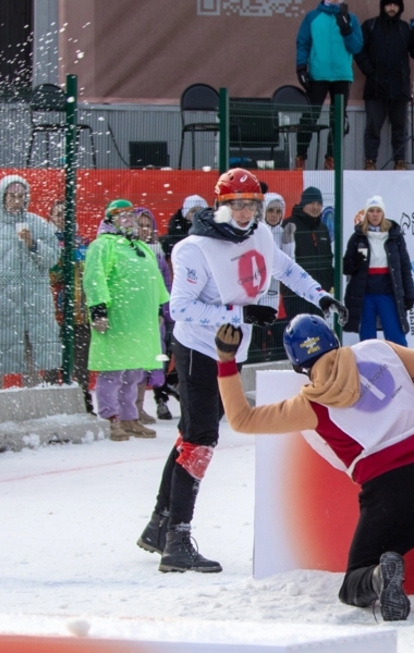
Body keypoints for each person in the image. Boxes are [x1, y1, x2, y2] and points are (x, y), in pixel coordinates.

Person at [211, 315, 414, 624]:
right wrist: (405, 391)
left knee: (354, 581)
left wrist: (226, 361)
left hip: (386, 496)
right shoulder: (378, 349)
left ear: (298, 363)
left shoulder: (309, 403)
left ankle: (379, 577)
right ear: (333, 339)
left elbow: (242, 420)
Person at [136, 168, 348, 574]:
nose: (244, 212)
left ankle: (159, 525)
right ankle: (177, 540)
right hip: (199, 347)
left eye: (251, 203)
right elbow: (179, 307)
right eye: (236, 204)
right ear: (221, 206)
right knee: (200, 438)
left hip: (232, 348)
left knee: (192, 435)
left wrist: (321, 296)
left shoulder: (260, 235)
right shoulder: (193, 248)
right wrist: (239, 311)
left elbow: (284, 268)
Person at [83, 200, 169, 442]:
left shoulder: (141, 247)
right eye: (123, 216)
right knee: (113, 370)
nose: (129, 220)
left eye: (131, 215)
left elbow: (157, 283)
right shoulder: (102, 246)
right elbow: (94, 278)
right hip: (117, 319)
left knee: (134, 372)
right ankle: (110, 418)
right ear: (110, 220)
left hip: (140, 321)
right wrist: (99, 310)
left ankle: (130, 417)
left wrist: (159, 309)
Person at [0, 175, 61, 389]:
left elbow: (53, 259)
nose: (17, 201)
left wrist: (33, 244)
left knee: (32, 360)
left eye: (21, 196)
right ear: (1, 197)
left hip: (32, 306)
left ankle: (32, 410)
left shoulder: (38, 224)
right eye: (12, 196)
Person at [354, 0, 414, 170]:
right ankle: (370, 161)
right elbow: (359, 51)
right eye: (388, 4)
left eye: (395, 5)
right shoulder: (370, 26)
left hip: (400, 88)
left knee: (400, 128)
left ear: (400, 7)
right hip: (375, 87)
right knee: (373, 127)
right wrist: (370, 72)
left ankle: (400, 161)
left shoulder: (406, 29)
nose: (392, 8)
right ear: (382, 6)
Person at [294, 0, 364, 170]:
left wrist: (346, 29)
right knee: (309, 117)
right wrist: (301, 68)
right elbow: (303, 43)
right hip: (318, 74)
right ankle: (300, 157)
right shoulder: (313, 17)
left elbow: (357, 47)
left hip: (342, 75)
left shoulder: (351, 18)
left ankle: (331, 159)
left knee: (338, 120)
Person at [342, 195, 414, 345]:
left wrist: (409, 293)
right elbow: (346, 267)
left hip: (387, 293)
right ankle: (369, 367)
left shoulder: (394, 237)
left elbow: (404, 267)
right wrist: (356, 260)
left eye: (378, 211)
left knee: (396, 335)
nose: (375, 214)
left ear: (383, 214)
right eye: (371, 211)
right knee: (367, 338)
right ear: (366, 214)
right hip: (365, 295)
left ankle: (403, 364)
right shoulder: (357, 237)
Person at [47, 199, 94, 414]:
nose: (63, 219)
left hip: (80, 313)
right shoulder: (47, 242)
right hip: (54, 312)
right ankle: (51, 406)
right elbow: (51, 275)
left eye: (67, 215)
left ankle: (83, 403)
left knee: (81, 364)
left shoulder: (83, 242)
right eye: (58, 215)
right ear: (51, 219)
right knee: (52, 361)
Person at [134, 206, 175, 423]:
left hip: (154, 319)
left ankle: (139, 407)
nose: (144, 229)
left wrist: (165, 314)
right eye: (139, 225)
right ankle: (129, 410)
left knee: (148, 362)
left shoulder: (157, 254)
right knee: (132, 362)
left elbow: (164, 286)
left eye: (147, 225)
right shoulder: (127, 251)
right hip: (133, 317)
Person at [249, 192, 293, 362]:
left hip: (275, 291)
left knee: (277, 329)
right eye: (270, 210)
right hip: (254, 292)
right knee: (256, 333)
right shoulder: (255, 231)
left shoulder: (283, 232)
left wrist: (289, 242)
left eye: (278, 211)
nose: (274, 215)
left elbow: (288, 264)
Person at [282, 186, 334, 319]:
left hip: (318, 293)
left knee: (318, 331)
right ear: (303, 204)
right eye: (312, 203)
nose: (315, 207)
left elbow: (328, 258)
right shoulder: (290, 225)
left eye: (319, 204)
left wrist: (329, 284)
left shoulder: (323, 228)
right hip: (296, 294)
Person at [160, 194, 206, 259]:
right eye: (193, 211)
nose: (197, 214)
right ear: (185, 214)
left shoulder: (213, 236)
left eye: (201, 211)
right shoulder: (167, 241)